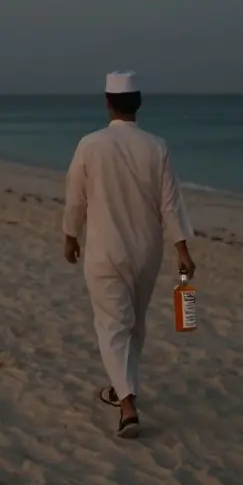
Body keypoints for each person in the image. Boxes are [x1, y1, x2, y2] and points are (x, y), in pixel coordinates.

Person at [62, 71, 195, 439]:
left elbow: (76, 196)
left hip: (105, 251)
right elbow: (171, 205)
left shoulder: (90, 144)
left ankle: (127, 404)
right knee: (133, 325)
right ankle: (123, 390)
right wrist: (181, 249)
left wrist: (70, 236)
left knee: (112, 326)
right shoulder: (157, 146)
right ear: (139, 103)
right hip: (146, 250)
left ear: (107, 103)